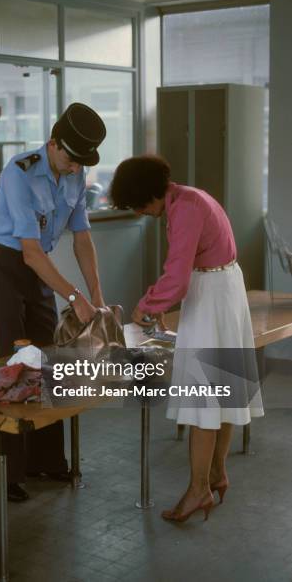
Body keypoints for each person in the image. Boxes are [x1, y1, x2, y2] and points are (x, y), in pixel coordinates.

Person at [109, 154, 264, 522]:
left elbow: (176, 279)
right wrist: (162, 298)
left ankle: (198, 491)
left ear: (146, 196)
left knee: (202, 399)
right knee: (221, 390)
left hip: (211, 294)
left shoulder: (184, 209)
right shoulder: (188, 197)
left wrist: (146, 305)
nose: (138, 212)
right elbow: (180, 270)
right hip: (224, 288)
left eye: (135, 205)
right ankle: (216, 474)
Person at [0, 103, 106, 502]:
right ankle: (5, 473)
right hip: (6, 268)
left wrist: (97, 299)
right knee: (10, 364)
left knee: (48, 361)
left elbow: (82, 237)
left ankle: (47, 460)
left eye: (80, 164)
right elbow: (31, 252)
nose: (74, 170)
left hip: (41, 271)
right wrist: (74, 296)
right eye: (71, 159)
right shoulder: (20, 172)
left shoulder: (76, 171)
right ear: (53, 144)